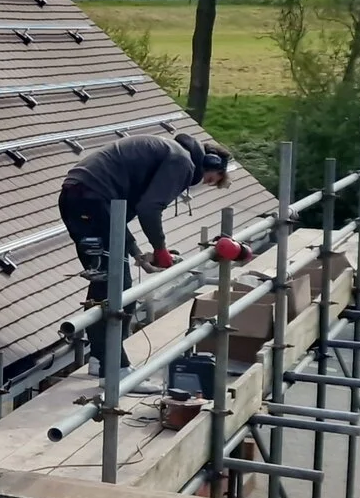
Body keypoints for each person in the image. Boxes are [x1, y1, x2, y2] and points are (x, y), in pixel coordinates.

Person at [58, 131, 233, 373]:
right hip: (92, 200)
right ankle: (115, 368)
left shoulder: (170, 152)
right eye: (212, 179)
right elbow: (150, 208)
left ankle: (100, 360)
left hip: (81, 199)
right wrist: (160, 250)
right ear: (211, 164)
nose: (206, 183)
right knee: (118, 288)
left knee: (105, 279)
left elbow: (118, 218)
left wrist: (138, 254)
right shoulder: (182, 162)